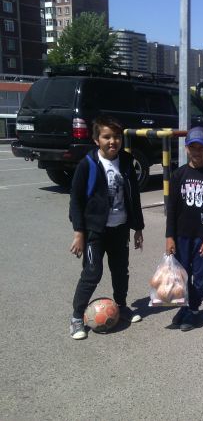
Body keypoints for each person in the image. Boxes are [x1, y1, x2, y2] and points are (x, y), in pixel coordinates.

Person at [68, 115, 144, 340]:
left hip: (120, 229)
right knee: (92, 272)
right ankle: (76, 316)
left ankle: (121, 305)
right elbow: (76, 200)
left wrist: (138, 228)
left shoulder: (127, 161)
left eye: (117, 136)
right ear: (96, 140)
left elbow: (134, 197)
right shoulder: (88, 164)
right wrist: (79, 232)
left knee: (120, 270)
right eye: (106, 137)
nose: (113, 141)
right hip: (95, 231)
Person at [166, 127, 203, 331]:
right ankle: (185, 307)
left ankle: (194, 309)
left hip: (202, 236)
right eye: (193, 147)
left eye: (202, 148)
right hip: (181, 235)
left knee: (200, 276)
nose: (197, 152)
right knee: (182, 274)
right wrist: (169, 236)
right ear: (186, 148)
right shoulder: (178, 174)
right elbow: (171, 209)